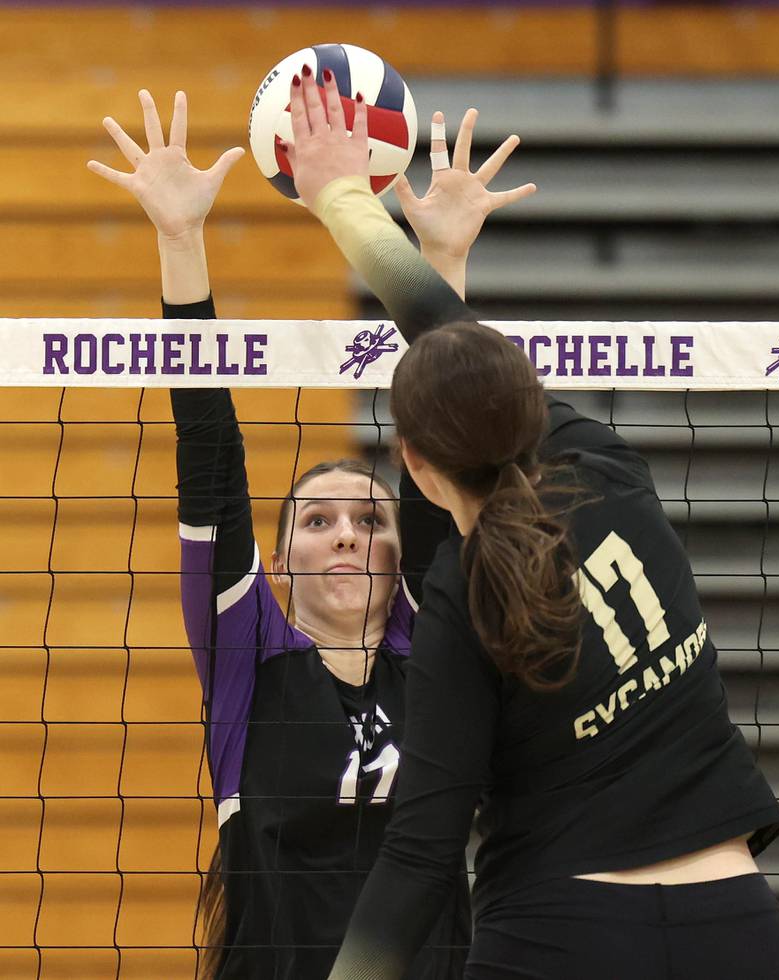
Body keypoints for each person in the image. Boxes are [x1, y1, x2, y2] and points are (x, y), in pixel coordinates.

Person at [280, 68, 779, 980]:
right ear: (532, 400)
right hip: (737, 928)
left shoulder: (458, 604)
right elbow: (453, 351)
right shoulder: (605, 467)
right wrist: (352, 205)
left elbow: (420, 855)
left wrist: (335, 192)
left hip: (565, 937)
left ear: (416, 467)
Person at [88, 88, 534, 979]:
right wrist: (181, 241)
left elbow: (443, 428)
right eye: (316, 521)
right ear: (279, 561)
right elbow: (208, 454)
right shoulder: (246, 651)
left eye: (368, 521)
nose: (341, 536)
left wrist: (442, 256)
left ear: (403, 550)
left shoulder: (432, 637)